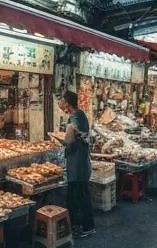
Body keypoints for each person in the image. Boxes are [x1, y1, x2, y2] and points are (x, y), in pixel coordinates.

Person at [60, 90, 95, 237]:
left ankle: (83, 227)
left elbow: (70, 136)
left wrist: (63, 138)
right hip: (79, 164)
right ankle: (85, 226)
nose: (60, 103)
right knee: (80, 195)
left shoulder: (76, 116)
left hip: (78, 165)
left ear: (67, 102)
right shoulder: (78, 115)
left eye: (61, 100)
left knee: (78, 197)